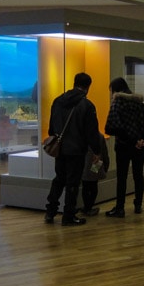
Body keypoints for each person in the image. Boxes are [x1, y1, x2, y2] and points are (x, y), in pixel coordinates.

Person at [44, 73, 102, 226]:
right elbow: (91, 132)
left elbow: (51, 128)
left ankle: (50, 212)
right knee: (73, 183)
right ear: (88, 86)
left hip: (60, 148)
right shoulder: (87, 106)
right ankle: (68, 215)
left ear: (74, 83)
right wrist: (97, 151)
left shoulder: (57, 101)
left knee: (59, 179)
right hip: (76, 150)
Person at [104, 77, 144, 218]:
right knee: (138, 176)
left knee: (122, 177)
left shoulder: (117, 103)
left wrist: (131, 140)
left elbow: (111, 127)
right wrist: (141, 140)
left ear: (115, 90)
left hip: (123, 146)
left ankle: (120, 208)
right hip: (139, 147)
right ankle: (138, 205)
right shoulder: (139, 103)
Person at [80, 132, 110, 216]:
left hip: (84, 164)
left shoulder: (81, 135)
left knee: (85, 186)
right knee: (93, 185)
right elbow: (104, 153)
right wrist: (106, 165)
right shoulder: (99, 136)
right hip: (96, 163)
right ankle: (89, 207)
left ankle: (87, 207)